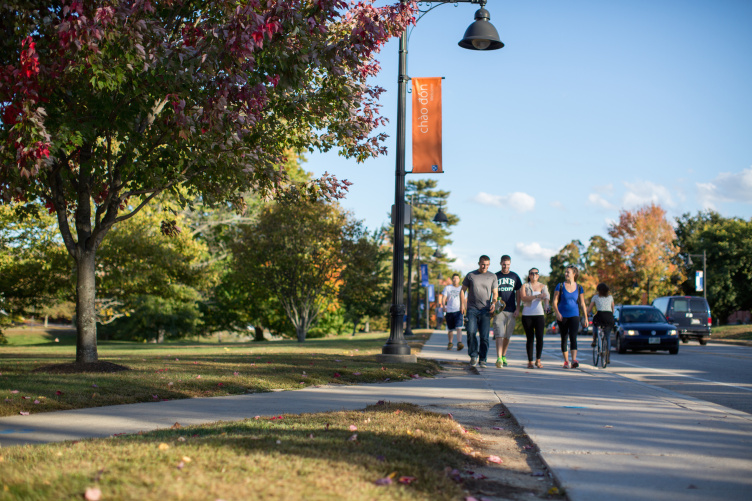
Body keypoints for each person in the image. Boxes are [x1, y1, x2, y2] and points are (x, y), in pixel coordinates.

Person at [461, 256, 498, 368]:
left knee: (484, 336)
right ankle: (473, 355)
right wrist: (462, 305)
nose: (485, 266)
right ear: (479, 263)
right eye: (483, 264)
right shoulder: (471, 275)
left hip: (485, 310)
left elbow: (495, 293)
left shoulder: (492, 276)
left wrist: (493, 303)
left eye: (487, 264)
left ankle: (483, 358)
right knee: (471, 332)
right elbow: (462, 290)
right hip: (472, 309)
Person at [552, 265, 588, 368]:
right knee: (564, 338)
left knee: (573, 337)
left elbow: (582, 303)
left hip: (574, 315)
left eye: (568, 272)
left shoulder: (579, 287)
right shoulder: (560, 286)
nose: (566, 274)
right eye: (565, 272)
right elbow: (554, 302)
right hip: (562, 316)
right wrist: (557, 313)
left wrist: (585, 317)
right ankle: (566, 361)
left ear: (574, 274)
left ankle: (574, 360)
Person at [492, 255, 522, 368]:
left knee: (507, 336)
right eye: (504, 264)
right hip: (499, 310)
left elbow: (518, 293)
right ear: (500, 263)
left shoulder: (515, 276)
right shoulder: (496, 276)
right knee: (499, 334)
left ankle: (503, 355)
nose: (506, 266)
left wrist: (518, 308)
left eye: (508, 264)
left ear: (510, 264)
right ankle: (499, 358)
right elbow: (492, 292)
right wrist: (493, 305)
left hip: (511, 310)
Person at [520, 267, 549, 369]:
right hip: (527, 314)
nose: (534, 275)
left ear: (538, 275)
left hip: (539, 314)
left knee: (540, 338)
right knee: (530, 338)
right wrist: (537, 296)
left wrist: (546, 305)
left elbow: (546, 297)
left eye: (536, 273)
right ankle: (530, 361)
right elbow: (523, 297)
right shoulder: (525, 286)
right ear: (529, 275)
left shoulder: (543, 286)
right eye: (532, 273)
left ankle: (538, 360)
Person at [440, 274, 464, 351]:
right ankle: (450, 343)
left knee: (459, 328)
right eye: (454, 278)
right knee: (450, 329)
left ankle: (459, 343)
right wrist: (444, 306)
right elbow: (444, 297)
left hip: (459, 310)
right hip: (449, 310)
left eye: (457, 278)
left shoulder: (462, 288)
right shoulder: (448, 288)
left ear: (459, 280)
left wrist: (465, 308)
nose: (455, 280)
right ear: (452, 279)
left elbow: (465, 300)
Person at [589, 283, 615, 350]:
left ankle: (594, 339)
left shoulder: (595, 297)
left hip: (600, 315)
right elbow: (613, 309)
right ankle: (607, 355)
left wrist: (586, 314)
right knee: (608, 336)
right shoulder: (610, 297)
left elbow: (589, 309)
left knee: (595, 323)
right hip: (609, 316)